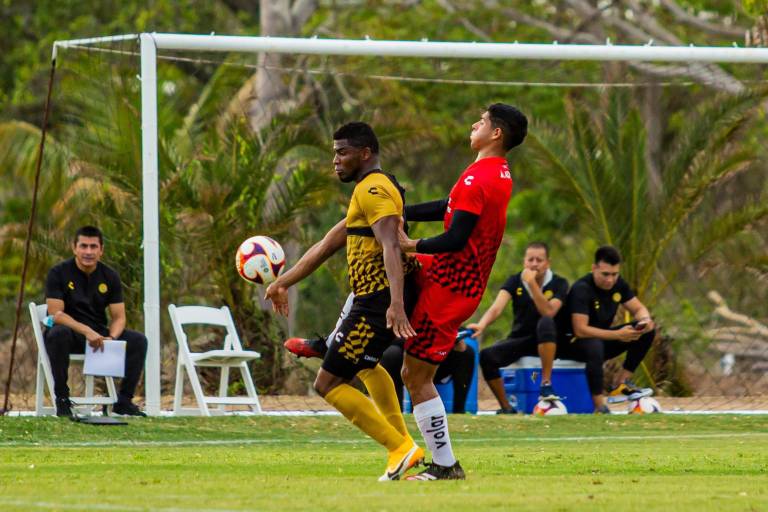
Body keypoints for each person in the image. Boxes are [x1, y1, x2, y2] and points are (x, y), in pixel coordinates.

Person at [264, 122, 424, 481]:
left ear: (365, 154)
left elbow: (391, 246)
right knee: (367, 366)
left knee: (328, 383)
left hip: (377, 301)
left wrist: (396, 303)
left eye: (342, 152)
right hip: (377, 299)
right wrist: (281, 283)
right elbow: (326, 245)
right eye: (334, 152)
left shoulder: (373, 189)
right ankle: (405, 447)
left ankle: (399, 448)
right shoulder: (369, 191)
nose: (335, 160)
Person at [397, 103, 528, 480]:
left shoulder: (480, 177)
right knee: (385, 265)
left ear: (496, 133)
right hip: (451, 279)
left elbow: (456, 238)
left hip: (449, 288)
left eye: (481, 121)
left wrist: (411, 244)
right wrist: (404, 211)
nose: (474, 124)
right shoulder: (496, 171)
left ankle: (445, 465)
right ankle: (342, 341)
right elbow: (450, 207)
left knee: (415, 377)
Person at [285, 295, 476, 414]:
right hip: (402, 354)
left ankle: (458, 413)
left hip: (434, 356)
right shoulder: (388, 293)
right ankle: (397, 416)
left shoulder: (436, 285)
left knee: (465, 350)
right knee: (390, 355)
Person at [44, 225, 148, 418]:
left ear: (101, 250)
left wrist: (111, 337)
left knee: (138, 340)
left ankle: (123, 401)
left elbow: (119, 317)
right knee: (58, 333)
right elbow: (56, 314)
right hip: (70, 334)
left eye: (93, 247)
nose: (88, 252)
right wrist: (86, 331)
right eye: (83, 246)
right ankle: (63, 399)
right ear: (74, 248)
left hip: (99, 337)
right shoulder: (58, 273)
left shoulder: (110, 276)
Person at [468, 242, 569, 414]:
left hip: (550, 341)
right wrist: (482, 324)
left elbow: (548, 311)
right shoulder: (515, 281)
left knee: (545, 322)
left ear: (548, 263)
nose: (534, 264)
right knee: (487, 356)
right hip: (522, 339)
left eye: (539, 260)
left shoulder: (559, 283)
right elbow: (497, 308)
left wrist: (531, 284)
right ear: (524, 262)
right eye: (530, 260)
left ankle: (546, 384)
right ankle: (506, 407)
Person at [556, 245, 655, 413]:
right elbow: (580, 330)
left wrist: (645, 320)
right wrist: (617, 334)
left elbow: (638, 308)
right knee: (595, 346)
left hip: (601, 340)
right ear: (594, 268)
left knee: (647, 332)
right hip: (571, 344)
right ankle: (599, 406)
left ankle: (621, 384)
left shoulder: (619, 284)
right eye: (605, 274)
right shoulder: (581, 288)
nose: (610, 280)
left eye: (614, 274)